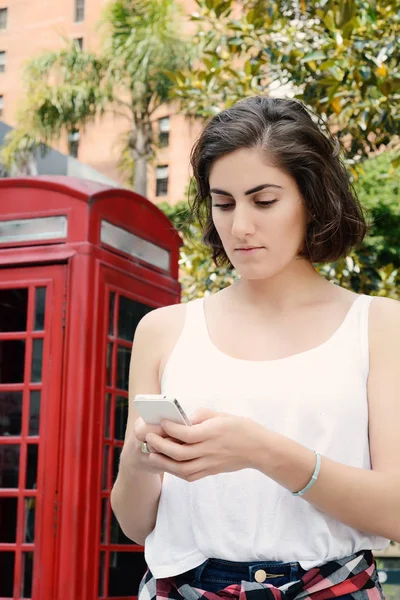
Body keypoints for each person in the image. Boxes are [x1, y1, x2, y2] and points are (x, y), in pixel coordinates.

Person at [111, 96, 399, 599]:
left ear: (312, 199)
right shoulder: (164, 329)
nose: (239, 226)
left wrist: (261, 451)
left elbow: (396, 510)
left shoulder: (378, 325)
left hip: (331, 587)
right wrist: (139, 460)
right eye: (223, 203)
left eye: (263, 201)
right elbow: (136, 526)